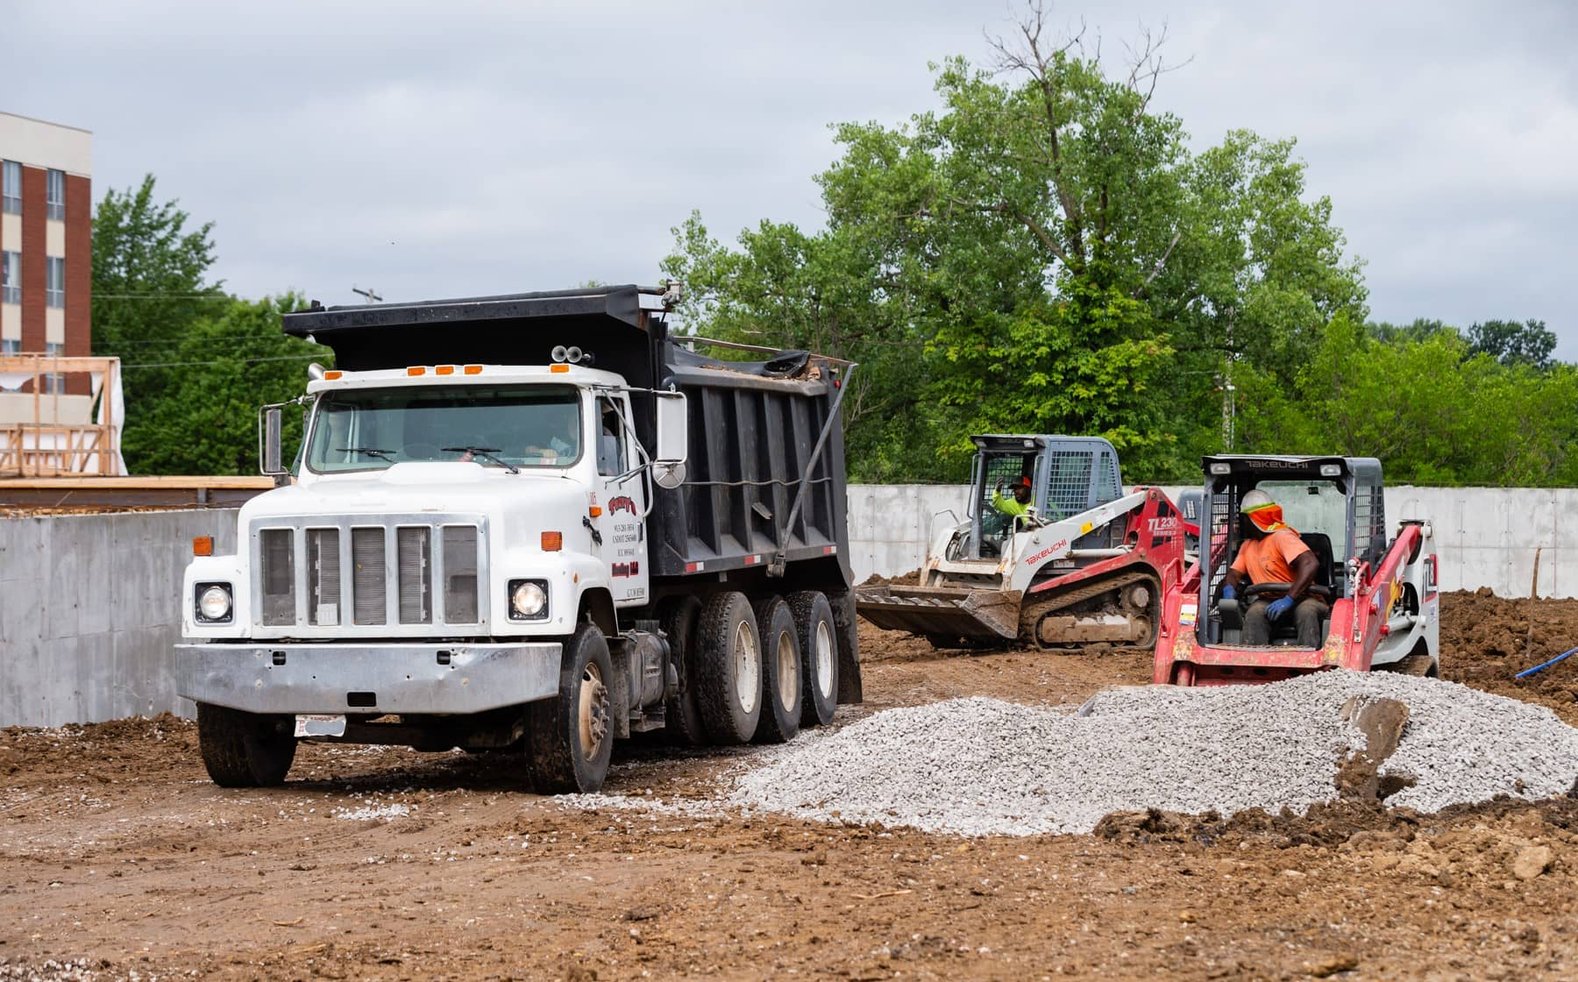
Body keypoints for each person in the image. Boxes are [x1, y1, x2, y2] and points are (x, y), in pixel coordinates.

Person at [1221, 488, 1328, 646]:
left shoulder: (1282, 537)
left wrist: (1289, 598)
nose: (1241, 523)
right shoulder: (1247, 546)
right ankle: (1252, 661)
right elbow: (1234, 574)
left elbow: (1310, 563)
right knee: (1254, 613)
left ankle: (1309, 660)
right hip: (1268, 599)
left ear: (1251, 519)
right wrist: (1229, 588)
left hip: (1303, 598)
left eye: (1243, 518)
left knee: (1306, 611)